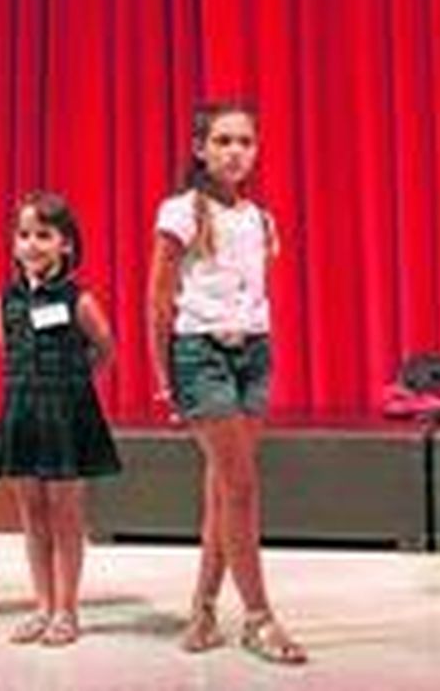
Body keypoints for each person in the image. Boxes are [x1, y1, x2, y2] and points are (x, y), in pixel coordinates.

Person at [147, 100, 306, 665]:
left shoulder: (259, 218)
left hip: (252, 353)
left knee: (222, 486)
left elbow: (252, 292)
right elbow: (159, 296)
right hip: (200, 354)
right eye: (223, 141)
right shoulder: (182, 211)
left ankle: (205, 607)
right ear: (200, 149)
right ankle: (259, 618)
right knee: (240, 486)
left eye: (245, 142)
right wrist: (163, 373)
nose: (235, 152)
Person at [0, 191, 121, 647]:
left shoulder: (78, 298)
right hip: (22, 410)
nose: (32, 244)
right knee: (32, 513)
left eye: (44, 235)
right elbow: (7, 350)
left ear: (65, 243)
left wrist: (73, 385)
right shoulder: (4, 301)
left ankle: (67, 609)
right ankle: (41, 605)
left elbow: (105, 346)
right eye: (24, 235)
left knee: (65, 514)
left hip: (66, 413)